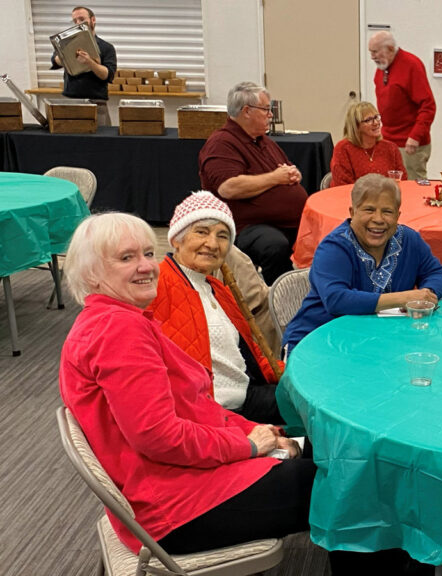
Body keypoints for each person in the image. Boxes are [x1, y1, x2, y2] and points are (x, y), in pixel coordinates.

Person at [58, 212, 324, 561]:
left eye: (148, 253)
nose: (146, 266)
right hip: (176, 507)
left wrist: (263, 433)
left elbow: (195, 408)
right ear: (91, 273)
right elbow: (159, 437)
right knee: (352, 482)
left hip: (177, 483)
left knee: (330, 449)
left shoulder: (115, 320)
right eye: (126, 258)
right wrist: (247, 445)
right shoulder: (118, 331)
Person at [148, 192, 285, 424]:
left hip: (247, 394)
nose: (212, 244)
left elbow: (250, 353)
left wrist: (291, 376)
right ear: (176, 239)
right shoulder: (155, 287)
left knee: (321, 402)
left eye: (222, 236)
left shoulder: (217, 289)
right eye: (201, 232)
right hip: (211, 411)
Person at [283, 173, 442, 350]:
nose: (378, 219)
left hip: (378, 341)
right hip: (317, 342)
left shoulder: (409, 240)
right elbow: (336, 299)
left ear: (398, 215)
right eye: (369, 210)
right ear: (352, 212)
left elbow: (439, 275)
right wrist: (404, 298)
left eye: (387, 212)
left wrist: (426, 295)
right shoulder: (334, 247)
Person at [199, 81, 307, 285]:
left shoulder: (262, 140)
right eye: (266, 109)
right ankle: (281, 296)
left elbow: (287, 169)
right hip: (245, 226)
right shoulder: (221, 143)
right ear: (246, 111)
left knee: (326, 234)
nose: (271, 115)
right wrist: (276, 177)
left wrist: (294, 174)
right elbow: (228, 187)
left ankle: (311, 288)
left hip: (283, 222)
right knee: (274, 246)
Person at [368, 31, 436, 181]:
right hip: (388, 140)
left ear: (390, 49)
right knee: (388, 187)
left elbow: (428, 106)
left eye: (375, 52)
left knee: (413, 188)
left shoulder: (412, 65)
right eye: (371, 52)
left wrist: (415, 136)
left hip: (409, 144)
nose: (372, 56)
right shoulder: (382, 67)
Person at [50, 6, 117, 126]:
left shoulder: (107, 47)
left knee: (101, 137)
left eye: (81, 19)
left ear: (93, 20)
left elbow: (107, 75)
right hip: (70, 102)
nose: (77, 23)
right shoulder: (66, 44)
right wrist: (66, 53)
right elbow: (55, 61)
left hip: (97, 103)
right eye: (75, 20)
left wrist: (89, 62)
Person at [330, 101, 406, 186]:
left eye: (376, 117)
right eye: (369, 120)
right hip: (353, 194)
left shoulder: (391, 147)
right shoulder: (343, 149)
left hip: (387, 194)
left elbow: (403, 180)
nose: (376, 123)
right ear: (356, 126)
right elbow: (343, 185)